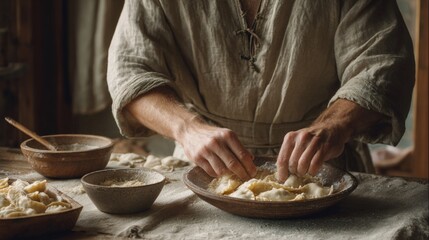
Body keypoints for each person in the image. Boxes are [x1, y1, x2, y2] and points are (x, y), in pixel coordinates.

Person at [107, 0, 414, 182]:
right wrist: (188, 129)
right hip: (204, 167)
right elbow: (130, 70)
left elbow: (382, 63)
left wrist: (333, 125)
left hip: (322, 169)